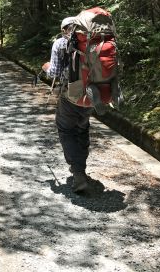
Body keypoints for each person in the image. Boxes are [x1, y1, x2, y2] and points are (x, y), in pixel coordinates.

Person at [42, 16, 92, 193]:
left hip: (70, 93)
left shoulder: (60, 43)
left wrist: (46, 67)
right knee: (82, 128)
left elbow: (54, 72)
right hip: (92, 93)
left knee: (66, 129)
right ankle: (81, 169)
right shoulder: (92, 41)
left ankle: (78, 174)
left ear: (64, 29)